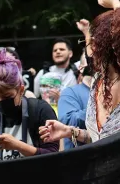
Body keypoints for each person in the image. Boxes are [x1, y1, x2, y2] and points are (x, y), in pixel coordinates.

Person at [40, 9, 120, 144]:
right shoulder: (97, 84)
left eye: (94, 41)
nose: (89, 47)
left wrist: (115, 4)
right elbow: (100, 139)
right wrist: (70, 132)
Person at [0, 50, 59, 160]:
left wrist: (18, 146)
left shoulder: (40, 110)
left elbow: (54, 156)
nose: (1, 102)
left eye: (7, 97)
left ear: (21, 90)